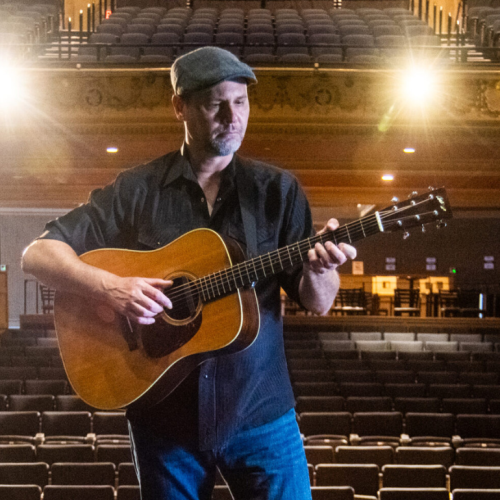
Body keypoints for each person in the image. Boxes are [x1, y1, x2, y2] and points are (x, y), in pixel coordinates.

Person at [22, 47, 356, 500]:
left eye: (240, 102)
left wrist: (323, 268)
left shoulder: (277, 191)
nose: (231, 116)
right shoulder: (137, 189)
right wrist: (113, 287)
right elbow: (38, 254)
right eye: (214, 103)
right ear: (179, 106)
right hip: (164, 419)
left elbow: (318, 301)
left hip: (261, 413)